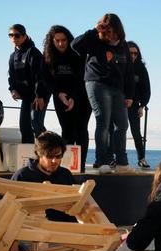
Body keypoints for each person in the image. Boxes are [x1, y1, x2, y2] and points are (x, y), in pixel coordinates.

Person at [71, 13, 134, 174]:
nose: (108, 33)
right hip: (97, 84)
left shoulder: (123, 45)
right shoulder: (95, 41)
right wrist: (94, 30)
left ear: (118, 29)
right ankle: (102, 161)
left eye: (110, 30)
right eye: (105, 29)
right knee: (103, 122)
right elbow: (75, 45)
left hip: (118, 88)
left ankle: (121, 162)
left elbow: (128, 72)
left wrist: (130, 95)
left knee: (122, 125)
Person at [43, 25, 92, 173]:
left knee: (81, 129)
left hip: (81, 97)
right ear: (52, 41)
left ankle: (81, 166)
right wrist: (59, 94)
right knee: (67, 131)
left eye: (63, 40)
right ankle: (68, 166)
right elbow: (47, 79)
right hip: (60, 98)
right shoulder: (47, 56)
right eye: (57, 41)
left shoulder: (77, 54)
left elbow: (82, 78)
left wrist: (73, 98)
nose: (60, 44)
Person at [11, 131, 77, 222]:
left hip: (65, 231)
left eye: (58, 156)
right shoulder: (22, 176)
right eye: (49, 156)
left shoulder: (66, 175)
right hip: (31, 231)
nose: (54, 161)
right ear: (39, 154)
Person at [8, 24, 49, 144]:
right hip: (27, 95)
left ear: (24, 36)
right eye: (11, 35)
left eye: (17, 35)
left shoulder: (33, 53)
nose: (14, 38)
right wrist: (13, 90)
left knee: (35, 122)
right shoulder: (13, 56)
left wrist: (39, 95)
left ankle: (51, 147)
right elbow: (11, 76)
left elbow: (40, 76)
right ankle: (29, 156)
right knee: (24, 125)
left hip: (40, 93)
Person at [126, 41, 151, 168]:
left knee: (136, 133)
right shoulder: (119, 65)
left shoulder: (141, 69)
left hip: (135, 104)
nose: (133, 55)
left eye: (136, 53)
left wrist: (142, 105)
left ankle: (141, 158)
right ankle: (113, 158)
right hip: (119, 103)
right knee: (115, 131)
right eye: (131, 53)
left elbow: (146, 89)